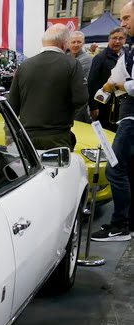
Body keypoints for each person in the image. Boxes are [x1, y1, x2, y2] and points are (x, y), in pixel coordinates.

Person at [92, 1, 134, 241]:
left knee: (115, 168)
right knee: (127, 169)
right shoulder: (128, 50)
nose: (123, 23)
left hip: (130, 115)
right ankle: (127, 222)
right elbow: (113, 77)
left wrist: (120, 86)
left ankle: (120, 225)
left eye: (126, 17)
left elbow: (122, 81)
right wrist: (110, 86)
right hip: (125, 113)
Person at [8, 24, 87, 150]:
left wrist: (9, 136)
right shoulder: (72, 64)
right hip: (57, 136)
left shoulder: (24, 65)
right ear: (65, 43)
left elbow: (12, 104)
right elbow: (81, 99)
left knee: (30, 170)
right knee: (58, 170)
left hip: (27, 137)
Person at [87, 26, 126, 131]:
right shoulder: (100, 58)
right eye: (114, 38)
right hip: (104, 105)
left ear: (125, 40)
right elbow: (92, 83)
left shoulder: (126, 56)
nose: (117, 41)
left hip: (121, 105)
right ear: (109, 39)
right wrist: (93, 107)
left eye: (120, 38)